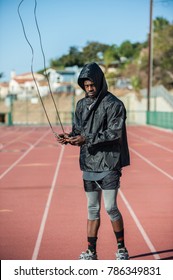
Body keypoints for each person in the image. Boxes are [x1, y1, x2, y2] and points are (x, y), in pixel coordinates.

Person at [56, 62, 130, 260]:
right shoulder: (80, 105)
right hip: (89, 163)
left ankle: (121, 249)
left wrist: (85, 139)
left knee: (110, 207)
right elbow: (79, 132)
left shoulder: (115, 104)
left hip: (109, 163)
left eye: (92, 85)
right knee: (92, 208)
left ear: (100, 82)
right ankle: (91, 251)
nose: (89, 89)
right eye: (86, 85)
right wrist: (69, 137)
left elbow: (115, 133)